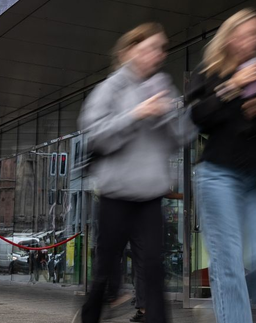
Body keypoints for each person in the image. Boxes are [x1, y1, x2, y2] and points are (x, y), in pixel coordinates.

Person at [79, 23, 190, 323]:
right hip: (116, 193)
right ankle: (89, 316)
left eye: (160, 49)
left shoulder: (161, 85)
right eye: (148, 48)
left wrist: (171, 115)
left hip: (150, 195)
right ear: (129, 51)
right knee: (105, 271)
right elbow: (95, 135)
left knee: (154, 268)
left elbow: (178, 139)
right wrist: (136, 114)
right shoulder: (110, 88)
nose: (156, 54)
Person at [190, 9, 256, 323]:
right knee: (228, 260)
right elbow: (199, 117)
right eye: (248, 33)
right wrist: (233, 86)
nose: (255, 40)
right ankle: (232, 311)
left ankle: (224, 301)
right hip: (218, 174)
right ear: (231, 36)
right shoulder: (211, 73)